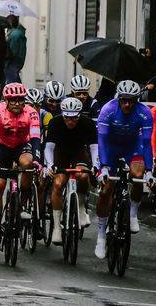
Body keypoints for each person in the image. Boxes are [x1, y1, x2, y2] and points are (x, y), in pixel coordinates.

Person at [94, 80, 153, 259]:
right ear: (118, 99)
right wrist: (103, 167)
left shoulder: (144, 113)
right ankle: (101, 235)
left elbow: (147, 143)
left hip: (132, 148)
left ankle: (133, 212)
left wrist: (149, 170)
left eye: (131, 101)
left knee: (137, 175)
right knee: (106, 190)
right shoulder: (107, 110)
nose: (127, 104)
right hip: (110, 149)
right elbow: (102, 141)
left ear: (137, 100)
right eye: (124, 100)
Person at [0, 82, 40, 251]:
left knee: (28, 164)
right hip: (2, 148)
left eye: (20, 100)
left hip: (21, 146)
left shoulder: (31, 112)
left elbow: (35, 138)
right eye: (13, 100)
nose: (17, 103)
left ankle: (23, 204)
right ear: (6, 100)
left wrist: (37, 159)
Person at [43, 96, 98, 244]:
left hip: (79, 151)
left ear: (80, 115)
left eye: (74, 118)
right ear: (63, 114)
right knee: (58, 184)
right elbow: (49, 147)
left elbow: (94, 148)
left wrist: (96, 164)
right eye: (67, 118)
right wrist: (50, 165)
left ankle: (80, 207)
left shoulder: (87, 123)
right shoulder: (55, 122)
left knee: (82, 176)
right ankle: (56, 227)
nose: (70, 121)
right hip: (60, 152)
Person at [4, 15, 27, 83]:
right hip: (17, 62)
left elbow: (12, 51)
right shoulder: (17, 33)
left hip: (12, 63)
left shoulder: (14, 35)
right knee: (15, 82)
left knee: (12, 84)